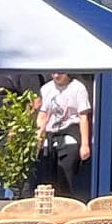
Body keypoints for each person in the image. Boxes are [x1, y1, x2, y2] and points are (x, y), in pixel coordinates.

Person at [35, 69, 93, 201]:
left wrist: (85, 145)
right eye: (53, 73)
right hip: (50, 137)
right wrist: (38, 137)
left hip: (70, 134)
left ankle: (66, 204)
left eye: (60, 73)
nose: (56, 76)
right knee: (48, 180)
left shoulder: (78, 88)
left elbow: (83, 117)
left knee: (66, 179)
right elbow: (42, 116)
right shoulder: (46, 89)